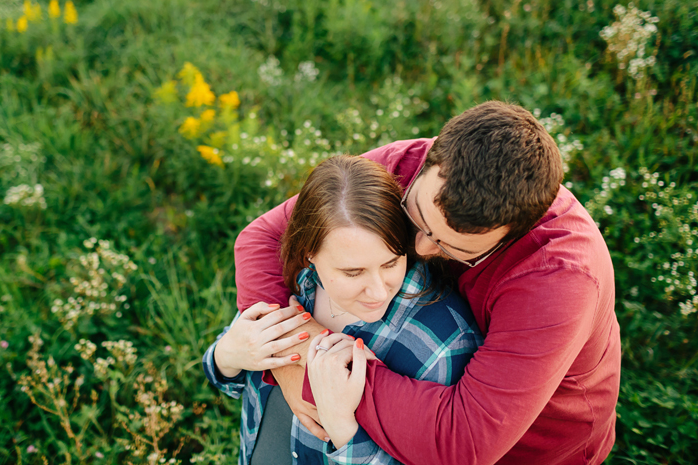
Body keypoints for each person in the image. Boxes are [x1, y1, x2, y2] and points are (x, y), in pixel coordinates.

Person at [234, 101, 621, 465]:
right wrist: (286, 361)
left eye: (451, 247)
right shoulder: (409, 164)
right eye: (414, 214)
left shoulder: (560, 280)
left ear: (512, 236)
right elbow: (263, 237)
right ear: (433, 156)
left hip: (527, 447)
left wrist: (323, 364)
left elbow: (464, 443)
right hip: (417, 391)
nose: (418, 245)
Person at [203, 155, 483, 464]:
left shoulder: (443, 341)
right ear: (310, 254)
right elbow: (231, 380)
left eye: (391, 262)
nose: (378, 291)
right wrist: (225, 356)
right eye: (353, 272)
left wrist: (341, 425)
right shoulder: (294, 286)